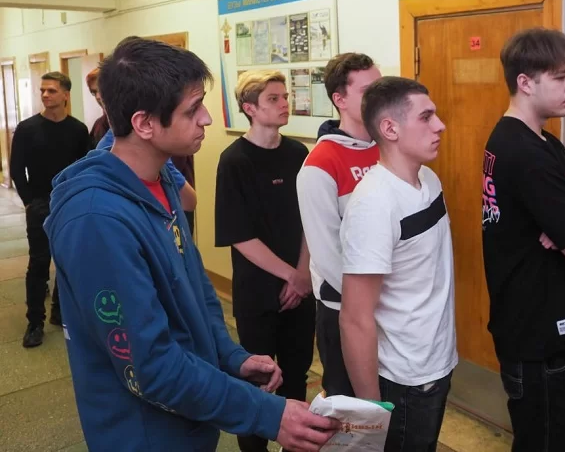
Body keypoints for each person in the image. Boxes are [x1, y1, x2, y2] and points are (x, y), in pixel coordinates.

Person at [44, 38, 339, 452]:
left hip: (191, 420)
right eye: (192, 109)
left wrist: (230, 356)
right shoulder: (96, 221)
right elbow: (151, 367)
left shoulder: (161, 178)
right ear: (144, 123)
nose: (206, 119)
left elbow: (195, 292)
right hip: (144, 435)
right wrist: (266, 414)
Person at [481, 28, 565, 452]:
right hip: (542, 340)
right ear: (525, 82)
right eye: (560, 77)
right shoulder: (523, 152)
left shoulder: (545, 143)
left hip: (546, 333)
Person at [339, 76, 457, 451]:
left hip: (436, 362)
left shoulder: (429, 180)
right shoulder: (374, 204)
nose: (440, 125)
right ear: (390, 129)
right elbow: (355, 318)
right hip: (403, 380)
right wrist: (373, 411)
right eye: (426, 117)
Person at [215, 69, 315, 452]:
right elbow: (239, 235)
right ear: (250, 108)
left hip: (300, 289)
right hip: (258, 292)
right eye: (273, 98)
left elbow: (311, 220)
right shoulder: (234, 161)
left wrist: (302, 275)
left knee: (296, 376)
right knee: (259, 382)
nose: (284, 103)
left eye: (284, 96)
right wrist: (292, 275)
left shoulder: (298, 154)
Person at [297, 52, 381, 397]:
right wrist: (369, 301)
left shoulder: (386, 146)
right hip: (344, 309)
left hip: (386, 306)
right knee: (351, 408)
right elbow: (328, 255)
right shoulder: (319, 164)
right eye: (367, 91)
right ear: (340, 100)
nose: (379, 97)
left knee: (385, 402)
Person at [11, 71, 89, 348]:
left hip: (69, 203)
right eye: (42, 90)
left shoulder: (78, 130)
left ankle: (59, 309)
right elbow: (17, 169)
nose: (45, 95)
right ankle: (35, 322)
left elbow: (85, 168)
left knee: (67, 261)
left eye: (51, 90)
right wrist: (29, 202)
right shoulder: (27, 128)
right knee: (39, 264)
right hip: (40, 204)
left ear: (65, 95)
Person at [85, 67, 110, 147]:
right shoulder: (98, 125)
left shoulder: (136, 123)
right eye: (94, 92)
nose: (98, 96)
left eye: (101, 90)